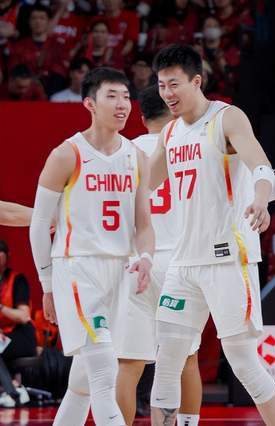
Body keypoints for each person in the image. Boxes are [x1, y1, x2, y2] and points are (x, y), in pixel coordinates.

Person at [147, 44, 275, 425]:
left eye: (174, 84)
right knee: (167, 358)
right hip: (183, 263)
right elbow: (142, 186)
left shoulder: (226, 118)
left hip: (227, 258)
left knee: (243, 360)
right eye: (161, 85)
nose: (167, 93)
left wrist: (262, 199)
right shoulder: (170, 132)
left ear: (197, 81)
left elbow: (261, 164)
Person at [29, 66, 154, 426]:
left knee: (83, 381)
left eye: (126, 96)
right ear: (89, 103)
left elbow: (144, 224)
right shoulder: (66, 154)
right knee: (104, 372)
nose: (122, 104)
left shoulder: (136, 156)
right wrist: (48, 285)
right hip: (77, 269)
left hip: (120, 271)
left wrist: (146, 257)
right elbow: (39, 225)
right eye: (111, 96)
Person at [111, 85, 201, 426]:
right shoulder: (190, 147)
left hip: (139, 263)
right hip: (180, 263)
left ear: (142, 116)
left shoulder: (125, 151)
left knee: (129, 363)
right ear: (175, 110)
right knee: (186, 360)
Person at [0, 240, 36, 408]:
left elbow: (24, 316)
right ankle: (12, 387)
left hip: (22, 336)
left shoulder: (17, 280)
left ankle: (12, 392)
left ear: (7, 257)